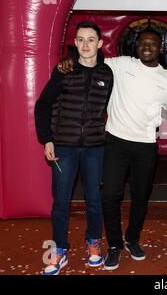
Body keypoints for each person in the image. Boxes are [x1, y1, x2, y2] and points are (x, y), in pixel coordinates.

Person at [58, 28, 167, 270]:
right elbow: (90, 57)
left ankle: (132, 239)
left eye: (153, 44)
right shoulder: (120, 65)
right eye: (143, 43)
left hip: (146, 147)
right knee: (110, 196)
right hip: (116, 142)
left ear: (161, 48)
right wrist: (69, 56)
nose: (147, 47)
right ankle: (114, 246)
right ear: (136, 46)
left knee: (141, 197)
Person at [34, 21, 113, 275]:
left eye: (91, 40)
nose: (85, 44)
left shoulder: (107, 73)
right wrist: (47, 139)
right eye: (80, 39)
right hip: (64, 148)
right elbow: (42, 105)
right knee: (61, 202)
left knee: (94, 200)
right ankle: (59, 251)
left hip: (95, 148)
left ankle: (93, 243)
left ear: (100, 44)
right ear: (75, 42)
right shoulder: (64, 70)